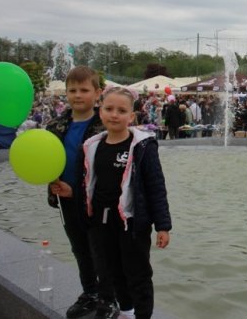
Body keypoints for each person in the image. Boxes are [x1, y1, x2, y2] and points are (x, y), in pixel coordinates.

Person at [84, 86, 172, 319]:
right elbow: (88, 183)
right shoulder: (93, 146)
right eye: (109, 109)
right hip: (102, 222)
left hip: (132, 224)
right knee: (113, 270)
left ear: (131, 116)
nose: (114, 115)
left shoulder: (142, 147)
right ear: (100, 111)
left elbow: (156, 187)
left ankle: (143, 315)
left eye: (121, 111)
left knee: (138, 273)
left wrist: (163, 226)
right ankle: (127, 311)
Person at [47, 66, 104, 318]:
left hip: (98, 201)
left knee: (100, 249)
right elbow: (45, 159)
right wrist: (51, 181)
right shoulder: (55, 126)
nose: (77, 95)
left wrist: (78, 191)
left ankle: (108, 295)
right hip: (66, 200)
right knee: (80, 249)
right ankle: (89, 293)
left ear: (97, 93)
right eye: (72, 90)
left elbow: (111, 168)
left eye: (84, 90)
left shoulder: (105, 125)